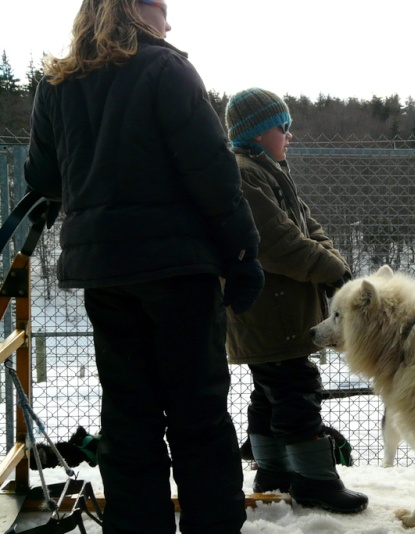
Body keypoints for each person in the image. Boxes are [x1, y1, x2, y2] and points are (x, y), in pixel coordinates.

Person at [23, 1, 265, 533]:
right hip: (179, 269)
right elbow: (214, 174)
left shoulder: (57, 84)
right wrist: (244, 254)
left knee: (128, 415)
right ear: (133, 7)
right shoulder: (165, 68)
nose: (169, 22)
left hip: (105, 272)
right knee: (198, 414)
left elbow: (42, 175)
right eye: (161, 7)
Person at [224, 88, 368, 514]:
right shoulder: (245, 174)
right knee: (296, 389)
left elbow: (308, 225)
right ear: (255, 132)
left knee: (270, 392)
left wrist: (331, 259)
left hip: (277, 310)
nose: (289, 133)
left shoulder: (270, 170)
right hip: (269, 310)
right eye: (280, 126)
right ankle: (315, 480)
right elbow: (279, 243)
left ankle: (274, 471)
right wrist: (334, 272)